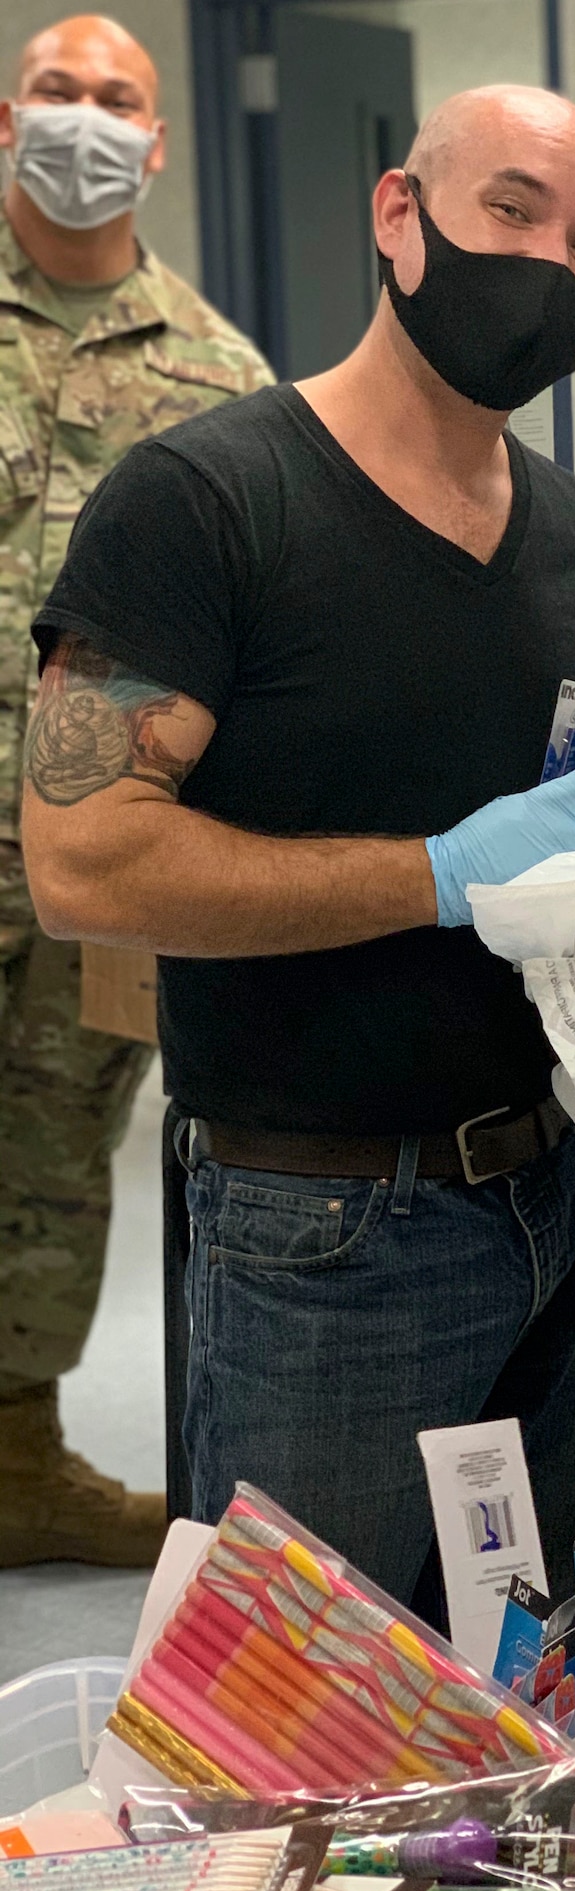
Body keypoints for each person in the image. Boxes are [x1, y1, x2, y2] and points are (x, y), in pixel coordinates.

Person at [21, 84, 575, 1604]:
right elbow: (84, 864)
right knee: (307, 1761)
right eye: (510, 210)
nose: (550, 265)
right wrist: (440, 876)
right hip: (324, 1238)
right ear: (400, 216)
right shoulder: (201, 506)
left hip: (572, 1216)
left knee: (555, 1704)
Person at [0, 13, 271, 1568]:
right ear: (9, 117)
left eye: (117, 101)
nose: (86, 120)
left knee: (51, 1149)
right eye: (59, 92)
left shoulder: (215, 372)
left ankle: (16, 1450)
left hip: (91, 844)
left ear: (156, 148)